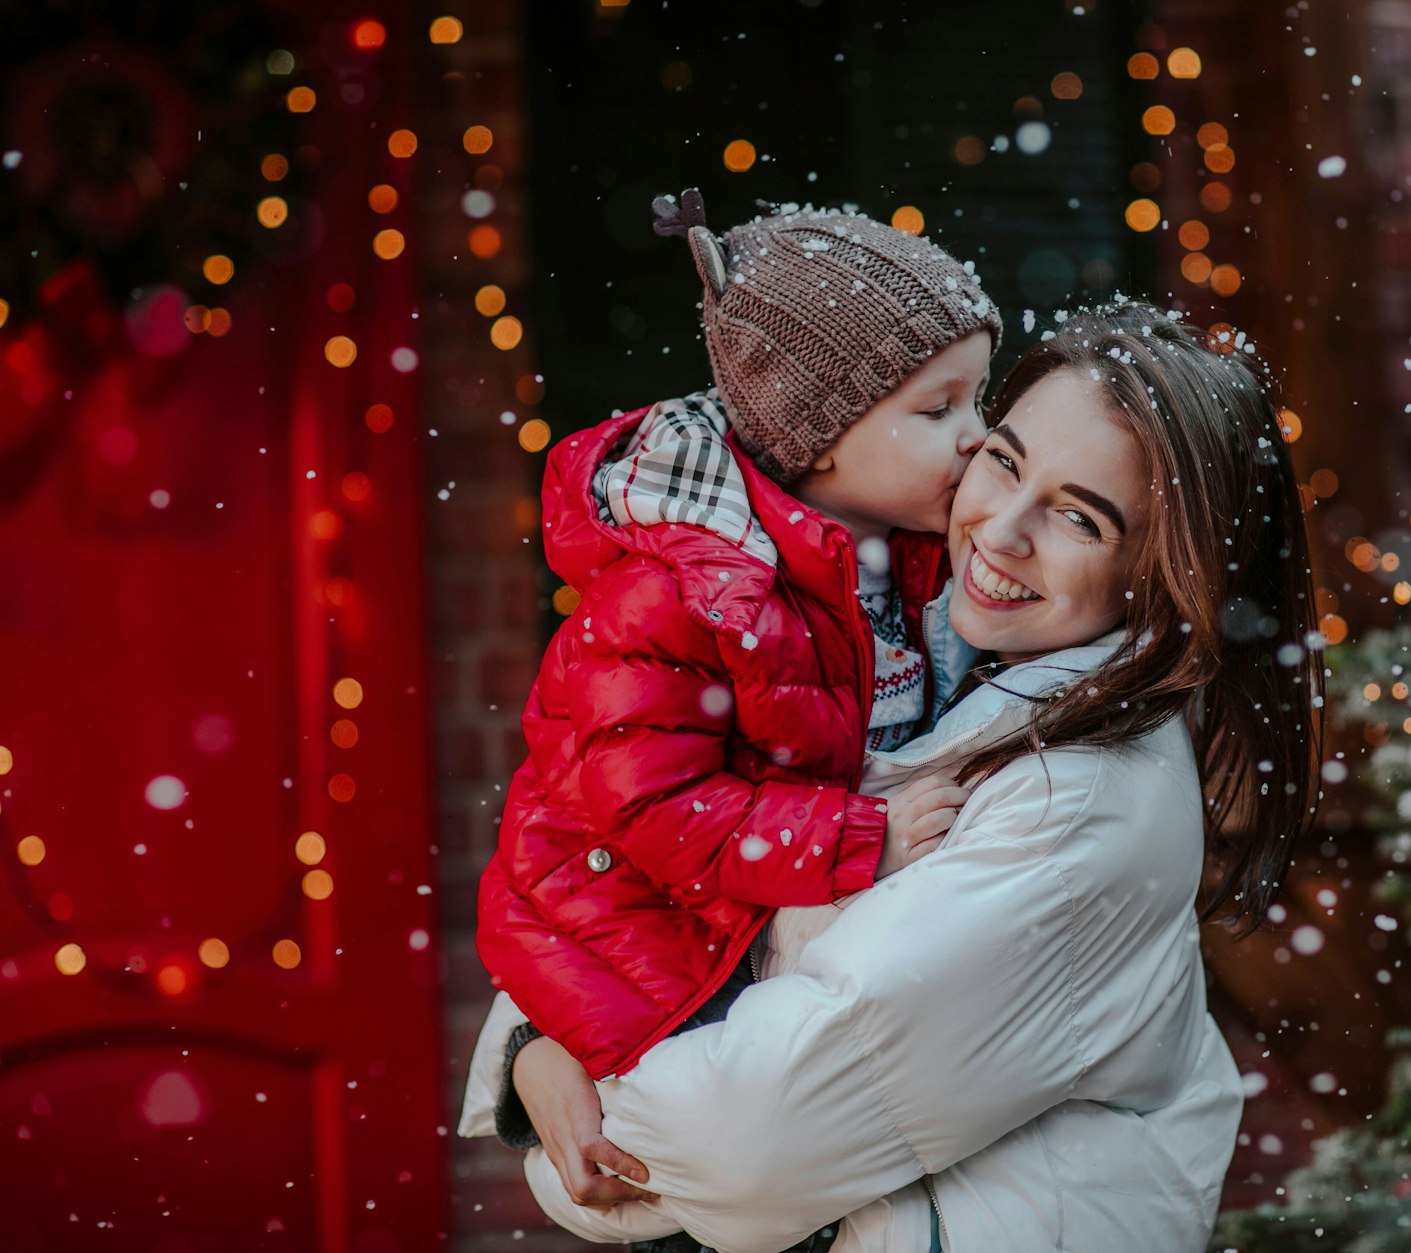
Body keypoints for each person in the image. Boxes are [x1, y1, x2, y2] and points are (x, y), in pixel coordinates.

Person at [462, 301, 1326, 1252]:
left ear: (1165, 572)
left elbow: (739, 1145)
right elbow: (654, 867)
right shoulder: (910, 655)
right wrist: (532, 1046)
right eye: (1004, 461)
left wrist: (578, 1091)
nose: (1002, 529)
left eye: (1079, 516)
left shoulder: (1078, 799)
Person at [470, 188, 1004, 1237]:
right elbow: (652, 808)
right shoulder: (681, 591)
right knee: (700, 1199)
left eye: (979, 400)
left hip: (756, 937)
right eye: (937, 410)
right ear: (818, 435)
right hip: (648, 941)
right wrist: (865, 838)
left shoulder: (909, 562)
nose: (977, 439)